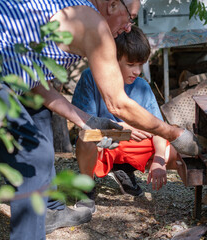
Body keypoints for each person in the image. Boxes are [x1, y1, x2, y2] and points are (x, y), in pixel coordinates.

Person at [0, 0, 200, 239]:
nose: (129, 27)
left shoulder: (72, 10)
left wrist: (87, 120)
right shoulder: (94, 25)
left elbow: (37, 86)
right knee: (33, 153)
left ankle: (49, 210)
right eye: (131, 17)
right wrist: (173, 133)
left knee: (39, 116)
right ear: (113, 5)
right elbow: (118, 103)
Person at [72, 26, 185, 212]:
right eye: (131, 65)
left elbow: (158, 128)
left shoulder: (142, 86)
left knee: (171, 151)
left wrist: (159, 159)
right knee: (85, 139)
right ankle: (86, 185)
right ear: (113, 61)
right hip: (102, 145)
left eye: (141, 65)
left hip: (129, 146)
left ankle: (124, 170)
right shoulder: (89, 78)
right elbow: (84, 128)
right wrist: (121, 129)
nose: (137, 71)